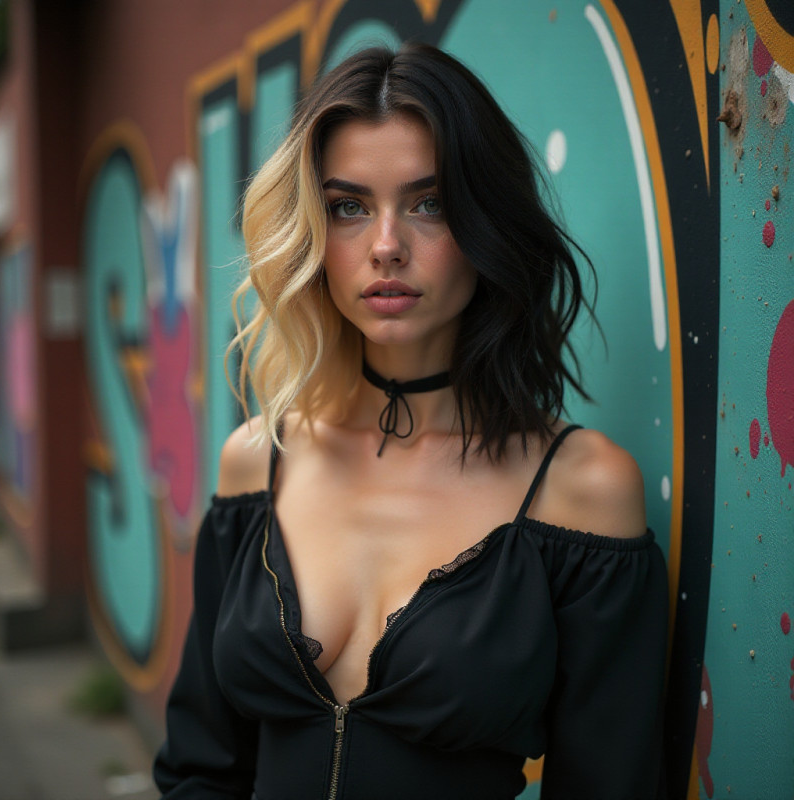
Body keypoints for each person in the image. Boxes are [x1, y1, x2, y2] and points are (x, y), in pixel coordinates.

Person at [154, 43, 668, 800]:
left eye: (429, 203)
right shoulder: (257, 463)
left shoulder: (581, 494)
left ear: (487, 223)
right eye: (349, 207)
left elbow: (609, 785)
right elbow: (201, 767)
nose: (386, 246)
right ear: (312, 232)